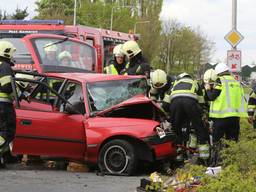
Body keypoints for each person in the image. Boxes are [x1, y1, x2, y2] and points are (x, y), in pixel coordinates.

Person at [204, 63, 247, 165]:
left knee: (216, 142)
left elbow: (212, 97)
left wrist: (207, 90)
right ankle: (231, 164)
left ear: (218, 73)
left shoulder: (220, 81)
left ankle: (215, 164)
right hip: (234, 118)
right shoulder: (237, 82)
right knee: (232, 142)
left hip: (221, 118)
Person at [168, 72, 209, 162]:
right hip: (190, 103)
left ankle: (178, 155)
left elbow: (166, 100)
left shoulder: (175, 83)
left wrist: (169, 114)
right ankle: (204, 158)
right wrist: (200, 114)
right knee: (199, 128)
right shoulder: (195, 82)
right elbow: (201, 102)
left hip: (175, 104)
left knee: (176, 129)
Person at [0, 40, 17, 168]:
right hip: (3, 104)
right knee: (7, 131)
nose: (12, 56)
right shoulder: (4, 66)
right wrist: (15, 96)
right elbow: (6, 86)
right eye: (11, 53)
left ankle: (6, 157)